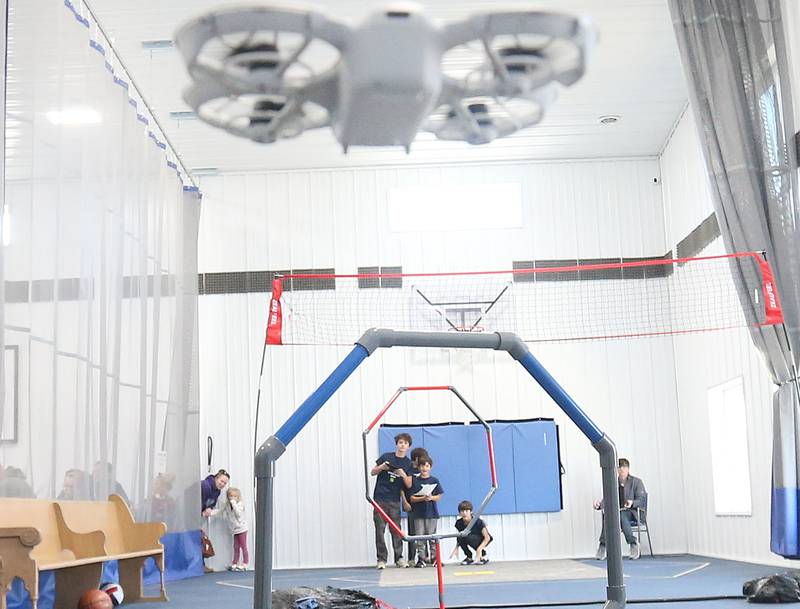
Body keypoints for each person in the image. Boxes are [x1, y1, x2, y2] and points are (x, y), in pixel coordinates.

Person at [370, 432, 414, 569]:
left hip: (395, 500)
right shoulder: (386, 457)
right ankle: (381, 559)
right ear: (396, 444)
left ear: (408, 446)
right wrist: (382, 467)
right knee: (379, 530)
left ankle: (399, 558)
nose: (402, 445)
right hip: (380, 498)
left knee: (396, 530)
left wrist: (402, 474)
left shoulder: (408, 463)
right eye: (400, 442)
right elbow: (372, 472)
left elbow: (409, 484)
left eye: (405, 443)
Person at [593, 457, 646, 560]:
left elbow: (642, 500)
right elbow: (607, 499)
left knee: (620, 515)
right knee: (608, 515)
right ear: (616, 470)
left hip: (633, 512)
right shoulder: (612, 482)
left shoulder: (637, 482)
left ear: (628, 469)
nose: (621, 470)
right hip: (617, 512)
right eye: (619, 468)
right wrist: (599, 505)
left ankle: (633, 543)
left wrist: (632, 503)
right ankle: (603, 545)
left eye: (624, 468)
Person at [409, 455, 443, 568]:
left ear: (430, 467)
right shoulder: (415, 480)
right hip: (418, 513)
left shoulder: (434, 480)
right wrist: (422, 498)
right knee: (420, 537)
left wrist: (431, 498)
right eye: (422, 465)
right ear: (418, 467)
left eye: (427, 466)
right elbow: (412, 498)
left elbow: (439, 496)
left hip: (432, 513)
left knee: (432, 537)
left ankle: (435, 558)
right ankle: (421, 559)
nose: (424, 468)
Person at [403, 447, 429, 566]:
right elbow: (402, 488)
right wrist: (405, 502)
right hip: (412, 504)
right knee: (413, 532)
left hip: (424, 504)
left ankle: (425, 557)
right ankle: (412, 557)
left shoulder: (424, 469)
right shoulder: (408, 469)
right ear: (417, 458)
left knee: (426, 531)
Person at [450, 500, 493, 565]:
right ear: (459, 513)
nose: (464, 513)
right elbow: (459, 538)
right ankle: (469, 557)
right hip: (469, 537)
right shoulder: (459, 523)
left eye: (466, 511)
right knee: (461, 536)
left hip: (483, 539)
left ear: (471, 512)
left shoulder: (478, 521)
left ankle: (483, 556)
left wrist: (479, 549)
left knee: (468, 537)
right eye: (462, 511)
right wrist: (456, 548)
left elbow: (487, 537)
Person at [223, 487, 249, 571]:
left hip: (242, 528)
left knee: (243, 546)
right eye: (231, 496)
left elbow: (239, 515)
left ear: (238, 497)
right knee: (236, 546)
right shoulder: (227, 505)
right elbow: (221, 511)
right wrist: (211, 513)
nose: (232, 498)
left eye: (235, 496)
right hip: (235, 529)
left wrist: (234, 504)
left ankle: (245, 563)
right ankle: (234, 563)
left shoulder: (240, 505)